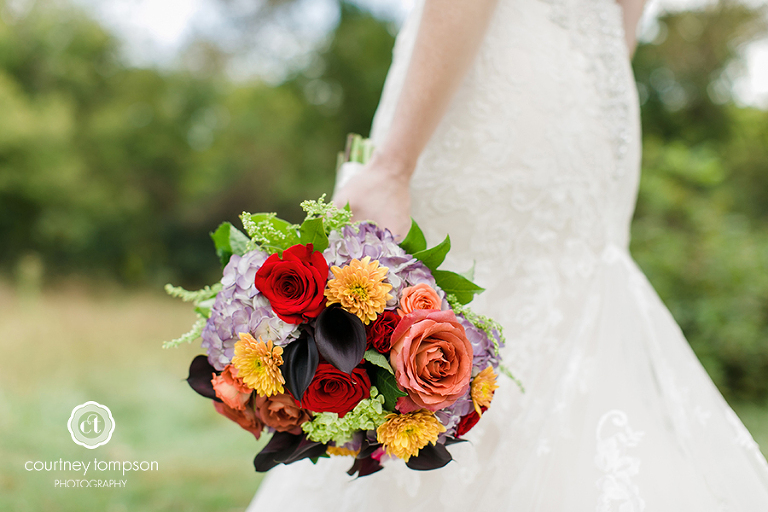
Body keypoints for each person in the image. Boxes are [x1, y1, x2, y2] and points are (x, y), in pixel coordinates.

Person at [248, 0, 768, 509]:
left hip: (494, 87)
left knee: (463, 300)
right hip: (588, 97)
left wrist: (393, 166)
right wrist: (597, 67)